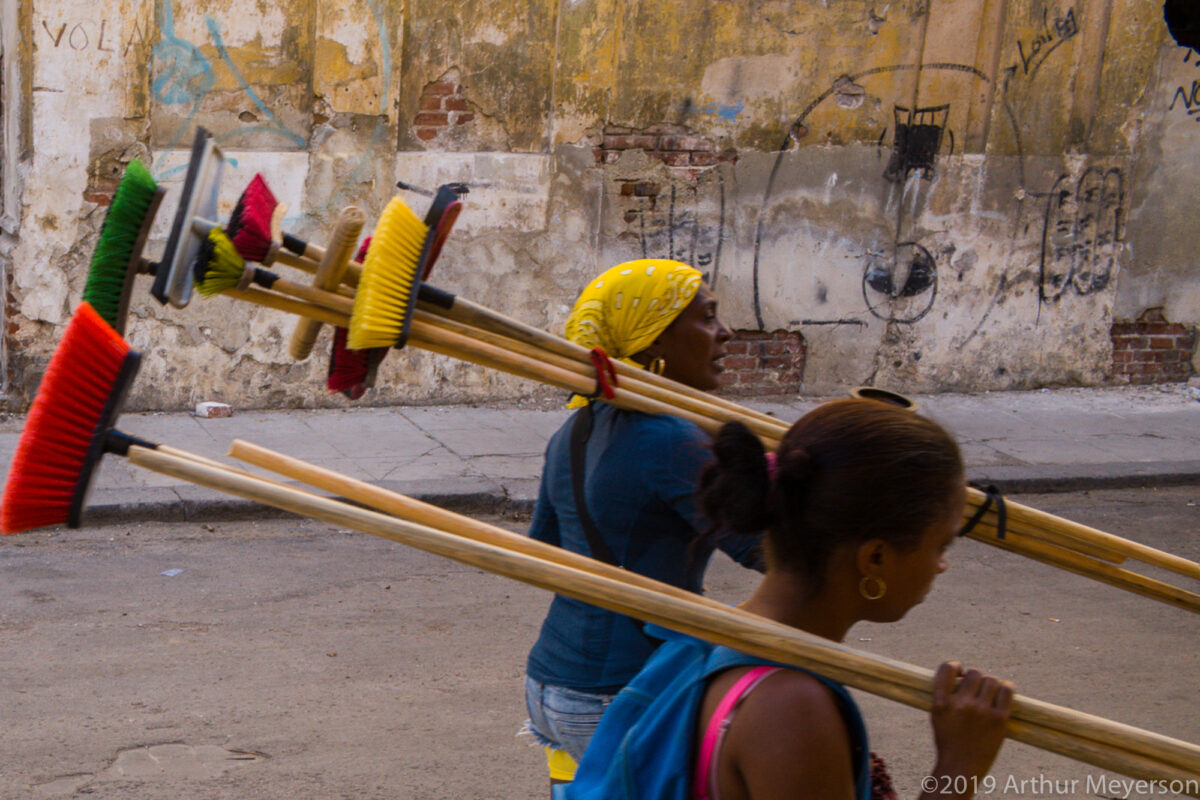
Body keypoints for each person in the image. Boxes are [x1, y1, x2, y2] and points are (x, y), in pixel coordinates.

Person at [561, 399, 1015, 800]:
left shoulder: (702, 639)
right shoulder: (790, 710)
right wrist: (958, 770)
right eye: (941, 545)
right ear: (875, 557)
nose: (941, 565)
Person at [523, 259, 766, 788]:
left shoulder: (577, 425)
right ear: (654, 342)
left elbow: (544, 548)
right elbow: (766, 551)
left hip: (551, 685)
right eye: (706, 318)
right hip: (621, 690)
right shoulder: (672, 439)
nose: (724, 334)